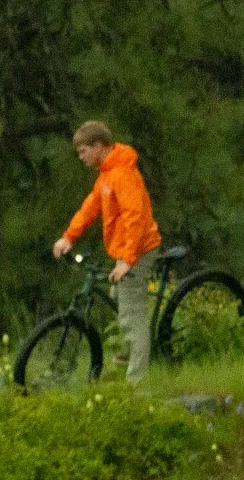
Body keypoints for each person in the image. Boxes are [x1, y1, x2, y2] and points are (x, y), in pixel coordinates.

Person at [51, 120, 162, 381]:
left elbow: (135, 219)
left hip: (138, 251)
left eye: (83, 151)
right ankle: (135, 346)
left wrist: (127, 261)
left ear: (98, 146)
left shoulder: (122, 174)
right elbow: (91, 206)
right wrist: (69, 237)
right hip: (126, 251)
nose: (81, 157)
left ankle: (137, 386)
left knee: (131, 315)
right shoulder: (107, 173)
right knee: (118, 296)